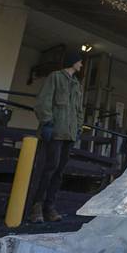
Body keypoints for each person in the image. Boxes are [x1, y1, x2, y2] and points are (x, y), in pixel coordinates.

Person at [28, 50, 85, 223]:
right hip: (55, 131)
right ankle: (36, 206)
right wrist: (47, 122)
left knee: (59, 171)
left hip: (69, 134)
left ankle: (49, 207)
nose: (81, 65)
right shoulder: (55, 77)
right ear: (73, 62)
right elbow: (43, 101)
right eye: (80, 62)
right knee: (48, 168)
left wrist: (78, 127)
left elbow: (79, 109)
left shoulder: (76, 84)